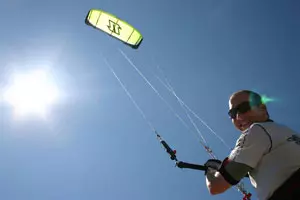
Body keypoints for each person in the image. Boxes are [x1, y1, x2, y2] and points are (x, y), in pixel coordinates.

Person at [204, 90, 300, 200]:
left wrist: (210, 169)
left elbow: (216, 187)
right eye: (233, 113)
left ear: (262, 108)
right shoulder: (286, 131)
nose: (239, 116)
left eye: (244, 108)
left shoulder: (257, 130)